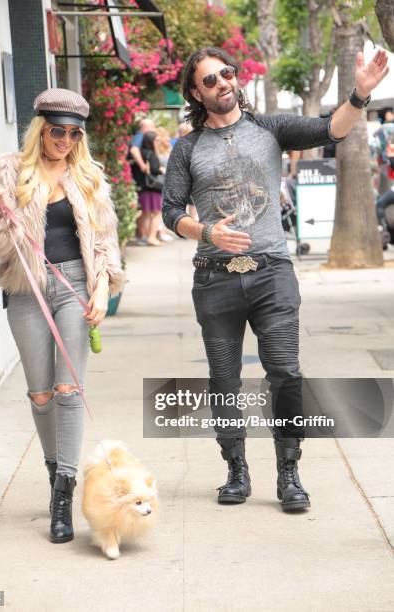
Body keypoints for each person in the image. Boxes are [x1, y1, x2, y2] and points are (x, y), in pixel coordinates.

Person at [162, 46, 388, 510]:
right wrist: (206, 231)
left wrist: (360, 95)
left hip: (272, 275)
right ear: (195, 93)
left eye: (227, 73)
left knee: (284, 373)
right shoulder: (186, 148)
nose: (223, 83)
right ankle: (236, 471)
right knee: (223, 379)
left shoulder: (267, 127)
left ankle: (289, 473)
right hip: (214, 279)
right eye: (210, 80)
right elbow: (169, 212)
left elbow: (331, 129)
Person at [0, 88, 124, 543]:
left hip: (75, 286)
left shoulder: (89, 176)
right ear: (42, 128)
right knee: (41, 393)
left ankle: (63, 491)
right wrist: (2, 216)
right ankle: (53, 471)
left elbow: (105, 238)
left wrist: (102, 287)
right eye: (57, 131)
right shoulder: (12, 170)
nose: (65, 140)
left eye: (74, 133)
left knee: (68, 388)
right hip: (27, 289)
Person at [136, 131, 165, 246]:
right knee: (157, 213)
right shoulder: (151, 154)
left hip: (143, 187)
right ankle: (152, 237)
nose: (159, 142)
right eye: (156, 140)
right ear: (150, 141)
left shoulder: (141, 152)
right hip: (153, 187)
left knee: (146, 213)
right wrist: (161, 170)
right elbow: (154, 169)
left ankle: (145, 236)